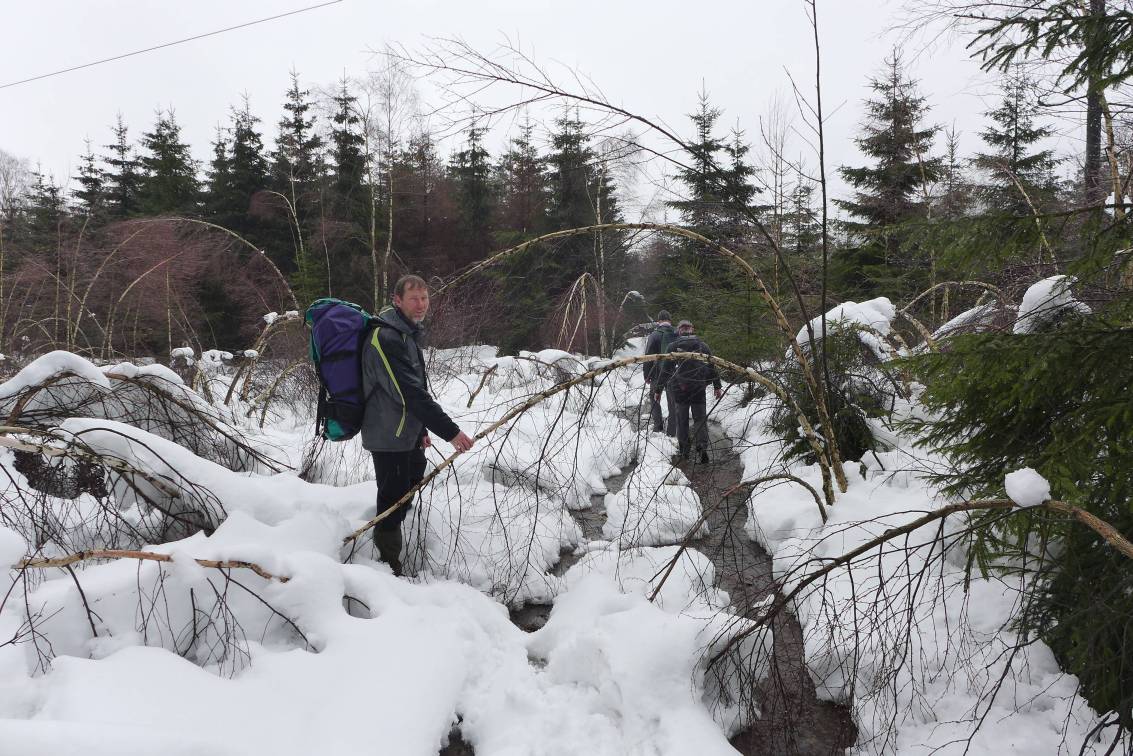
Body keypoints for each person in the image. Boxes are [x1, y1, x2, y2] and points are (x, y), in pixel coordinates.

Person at [362, 274, 475, 575]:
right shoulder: (386, 337)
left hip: (405, 431)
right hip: (388, 434)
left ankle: (396, 543)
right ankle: (388, 568)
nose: (421, 304)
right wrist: (450, 432)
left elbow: (412, 388)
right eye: (414, 298)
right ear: (396, 301)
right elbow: (409, 393)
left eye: (425, 297)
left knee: (410, 485)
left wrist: (421, 430)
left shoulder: (406, 334)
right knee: (392, 501)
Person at [654, 320, 722, 464]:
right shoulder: (702, 346)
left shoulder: (673, 346)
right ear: (691, 330)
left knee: (682, 421)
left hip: (680, 390)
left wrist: (658, 389)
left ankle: (684, 451)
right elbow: (712, 367)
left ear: (679, 331)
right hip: (698, 388)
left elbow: (665, 370)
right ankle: (702, 447)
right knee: (700, 419)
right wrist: (716, 386)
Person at [642, 310, 677, 436]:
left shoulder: (654, 335)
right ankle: (672, 431)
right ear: (670, 320)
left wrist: (647, 375)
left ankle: (658, 426)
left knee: (654, 397)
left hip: (657, 373)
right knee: (673, 401)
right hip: (674, 373)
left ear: (659, 321)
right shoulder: (676, 333)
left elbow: (648, 357)